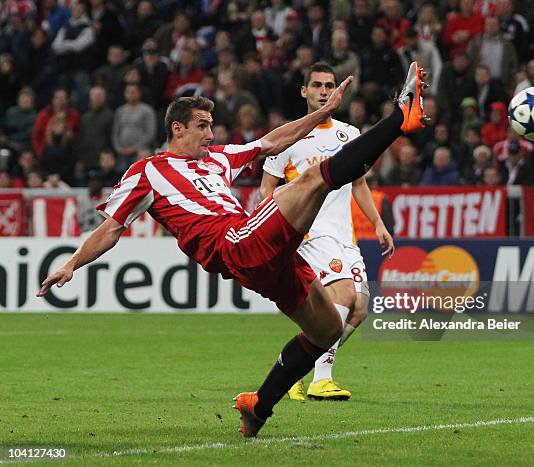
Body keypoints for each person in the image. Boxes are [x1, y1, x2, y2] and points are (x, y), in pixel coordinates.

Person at [37, 62, 427, 438]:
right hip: (236, 242)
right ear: (178, 129)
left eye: (211, 125)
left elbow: (273, 141)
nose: (211, 134)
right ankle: (399, 118)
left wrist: (322, 112)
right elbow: (111, 228)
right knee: (312, 179)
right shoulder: (148, 171)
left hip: (266, 261)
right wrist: (72, 263)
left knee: (326, 331)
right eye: (202, 127)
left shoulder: (218, 159)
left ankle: (259, 406)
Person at [259, 62, 395, 402]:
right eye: (317, 85)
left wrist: (377, 223)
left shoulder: (348, 134)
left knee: (360, 306)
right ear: (303, 91)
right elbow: (266, 191)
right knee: (345, 294)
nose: (323, 91)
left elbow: (359, 183)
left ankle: (297, 368)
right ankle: (322, 378)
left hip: (343, 234)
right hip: (309, 232)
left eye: (329, 85)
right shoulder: (288, 137)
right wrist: (284, 231)